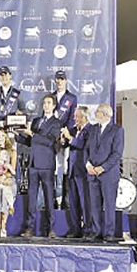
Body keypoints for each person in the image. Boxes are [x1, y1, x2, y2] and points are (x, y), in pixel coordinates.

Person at [16, 94, 61, 238]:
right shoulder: (36, 121)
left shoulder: (56, 123)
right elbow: (31, 142)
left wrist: (32, 134)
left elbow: (49, 141)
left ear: (54, 106)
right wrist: (17, 135)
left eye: (48, 103)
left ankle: (51, 228)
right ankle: (30, 228)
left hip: (47, 165)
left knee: (49, 198)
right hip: (33, 164)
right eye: (44, 102)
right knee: (32, 198)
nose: (46, 105)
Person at [85, 103, 125, 243]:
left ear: (106, 114)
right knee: (94, 204)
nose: (95, 113)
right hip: (92, 173)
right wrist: (88, 165)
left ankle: (109, 233)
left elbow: (117, 153)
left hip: (108, 174)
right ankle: (96, 231)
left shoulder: (117, 130)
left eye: (98, 111)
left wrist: (103, 167)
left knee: (108, 204)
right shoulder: (93, 129)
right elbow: (86, 149)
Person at [60, 106, 93, 238]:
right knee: (73, 202)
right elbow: (65, 144)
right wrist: (63, 140)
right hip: (72, 170)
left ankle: (88, 229)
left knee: (85, 202)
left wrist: (70, 138)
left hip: (83, 171)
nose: (74, 118)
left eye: (77, 116)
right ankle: (75, 229)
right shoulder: (73, 130)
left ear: (84, 117)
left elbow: (82, 145)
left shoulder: (91, 130)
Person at [53, 70, 77, 210]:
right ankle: (55, 200)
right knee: (55, 167)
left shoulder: (72, 98)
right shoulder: (51, 96)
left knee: (66, 167)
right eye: (58, 79)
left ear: (66, 81)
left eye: (62, 79)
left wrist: (65, 132)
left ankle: (66, 200)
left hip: (66, 135)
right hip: (53, 137)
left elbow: (72, 117)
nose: (59, 82)